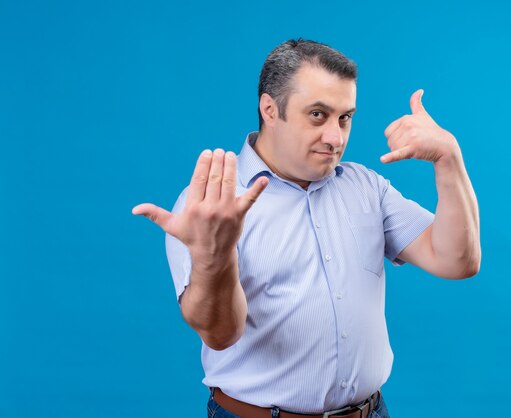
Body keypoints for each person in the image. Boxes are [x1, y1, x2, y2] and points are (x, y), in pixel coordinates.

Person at [133, 39, 481, 418]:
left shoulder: (366, 186)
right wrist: (212, 258)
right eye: (318, 115)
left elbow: (457, 261)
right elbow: (220, 334)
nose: (336, 138)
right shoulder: (212, 205)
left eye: (345, 118)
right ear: (270, 109)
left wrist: (448, 159)